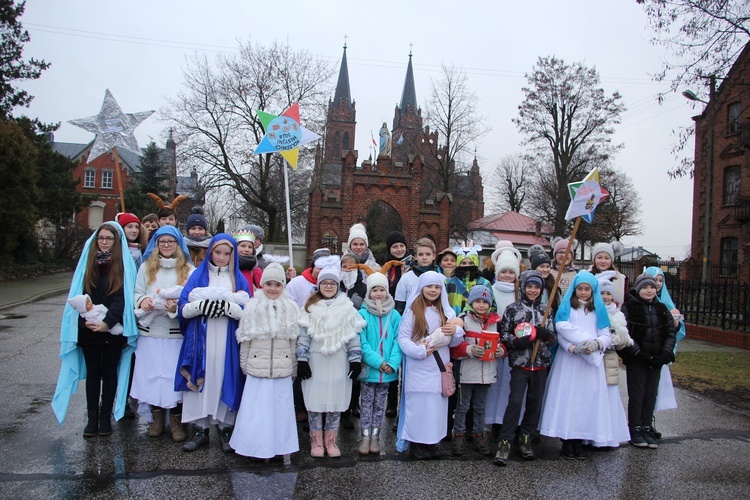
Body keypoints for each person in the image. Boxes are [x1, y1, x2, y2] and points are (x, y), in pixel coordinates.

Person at [52, 222, 138, 437]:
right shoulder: (88, 265)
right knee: (93, 374)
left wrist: (107, 323)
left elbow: (122, 299)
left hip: (112, 329)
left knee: (109, 374)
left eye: (109, 238)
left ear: (116, 242)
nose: (104, 242)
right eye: (101, 238)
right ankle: (91, 418)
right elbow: (79, 296)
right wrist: (86, 322)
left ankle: (105, 417)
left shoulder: (122, 266)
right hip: (89, 329)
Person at [176, 234, 250, 452]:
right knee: (204, 377)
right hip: (201, 337)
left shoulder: (238, 279)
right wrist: (199, 308)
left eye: (227, 253)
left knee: (223, 376)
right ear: (210, 252)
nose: (222, 257)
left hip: (227, 339)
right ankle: (200, 429)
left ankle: (226, 427)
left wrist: (231, 310)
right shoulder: (197, 276)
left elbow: (249, 309)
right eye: (218, 252)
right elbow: (182, 304)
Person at [540, 271, 616, 460]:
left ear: (593, 290)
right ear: (574, 290)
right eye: (580, 289)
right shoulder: (568, 309)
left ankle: (580, 439)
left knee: (586, 400)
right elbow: (560, 331)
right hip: (570, 362)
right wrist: (572, 348)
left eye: (587, 289)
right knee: (569, 399)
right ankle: (567, 441)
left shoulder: (599, 310)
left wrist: (596, 344)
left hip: (590, 364)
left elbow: (606, 335)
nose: (583, 293)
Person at [230, 263, 302, 459]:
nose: (272, 289)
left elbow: (294, 341)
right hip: (257, 368)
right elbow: (245, 339)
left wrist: (294, 367)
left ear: (283, 286)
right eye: (268, 284)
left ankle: (279, 447)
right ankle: (252, 447)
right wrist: (245, 365)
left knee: (280, 411)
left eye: (277, 284)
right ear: (262, 285)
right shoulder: (252, 307)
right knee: (256, 411)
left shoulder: (292, 308)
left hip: (282, 368)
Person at [296, 256, 365, 458]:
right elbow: (303, 335)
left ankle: (331, 440)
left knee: (335, 401)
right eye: (324, 283)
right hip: (316, 360)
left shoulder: (347, 307)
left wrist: (355, 360)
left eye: (332, 283)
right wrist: (301, 359)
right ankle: (316, 440)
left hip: (338, 360)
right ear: (319, 285)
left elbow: (353, 336)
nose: (328, 286)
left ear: (338, 285)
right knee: (315, 401)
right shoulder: (309, 307)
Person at [131, 226, 194, 441]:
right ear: (156, 244)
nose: (166, 245)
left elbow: (192, 298)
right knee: (151, 377)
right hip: (149, 332)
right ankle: (157, 418)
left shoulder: (187, 269)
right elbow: (137, 292)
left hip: (174, 334)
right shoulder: (146, 268)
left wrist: (175, 306)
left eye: (171, 241)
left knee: (172, 378)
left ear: (178, 244)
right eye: (162, 241)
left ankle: (176, 421)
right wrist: (143, 300)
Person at [396, 271, 465, 460]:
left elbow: (453, 343)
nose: (433, 290)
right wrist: (417, 351)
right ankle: (417, 444)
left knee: (436, 407)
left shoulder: (447, 311)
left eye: (437, 287)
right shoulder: (413, 311)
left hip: (439, 368)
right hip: (418, 368)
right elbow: (402, 338)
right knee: (419, 406)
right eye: (429, 286)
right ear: (421, 288)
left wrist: (456, 331)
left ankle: (432, 441)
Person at [493, 271, 556, 465]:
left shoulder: (547, 310)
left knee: (534, 403)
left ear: (542, 290)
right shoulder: (513, 309)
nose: (533, 290)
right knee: (515, 402)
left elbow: (553, 337)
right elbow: (503, 333)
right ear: (523, 287)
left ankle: (527, 439)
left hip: (540, 364)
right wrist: (516, 342)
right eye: (530, 286)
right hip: (520, 364)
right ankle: (505, 441)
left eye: (537, 287)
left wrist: (546, 335)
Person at [619, 273, 677, 449]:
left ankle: (646, 427)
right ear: (638, 289)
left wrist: (665, 353)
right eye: (645, 287)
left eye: (652, 287)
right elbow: (624, 332)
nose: (649, 290)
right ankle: (635, 429)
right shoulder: (629, 307)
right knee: (637, 395)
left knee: (651, 394)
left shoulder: (661, 308)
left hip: (657, 359)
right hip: (638, 359)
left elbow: (670, 333)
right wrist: (637, 353)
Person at [451, 285, 504, 456]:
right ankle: (458, 435)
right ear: (471, 302)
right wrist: (470, 350)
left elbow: (503, 344)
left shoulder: (496, 322)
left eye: (485, 302)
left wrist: (500, 351)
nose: (481, 305)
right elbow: (454, 347)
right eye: (477, 301)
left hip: (486, 373)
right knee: (463, 406)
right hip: (467, 372)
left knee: (480, 407)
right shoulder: (463, 320)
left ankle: (478, 435)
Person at [357, 273, 402, 455]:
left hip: (388, 371)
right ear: (369, 292)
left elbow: (399, 340)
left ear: (387, 290)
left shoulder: (395, 314)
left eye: (381, 289)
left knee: (379, 406)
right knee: (366, 404)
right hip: (370, 369)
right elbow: (361, 342)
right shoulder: (362, 313)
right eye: (374, 290)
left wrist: (392, 363)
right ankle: (365, 436)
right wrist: (379, 362)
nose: (378, 293)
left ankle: (375, 436)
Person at [643, 266, 685, 434]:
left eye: (660, 281)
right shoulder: (640, 301)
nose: (657, 284)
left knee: (655, 389)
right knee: (642, 390)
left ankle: (649, 422)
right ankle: (639, 423)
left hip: (660, 353)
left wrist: (676, 322)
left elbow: (674, 331)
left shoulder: (666, 303)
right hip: (644, 351)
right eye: (654, 280)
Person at [485, 245, 521, 432]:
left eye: (511, 272)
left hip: (514, 346)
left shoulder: (520, 293)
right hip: (495, 344)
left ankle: (505, 421)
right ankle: (490, 421)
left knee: (508, 386)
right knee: (493, 385)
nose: (507, 275)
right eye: (503, 271)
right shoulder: (490, 291)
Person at [596, 273, 632, 448]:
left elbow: (624, 340)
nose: (605, 297)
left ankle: (610, 437)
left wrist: (614, 339)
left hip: (609, 360)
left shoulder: (617, 315)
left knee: (609, 398)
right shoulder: (592, 311)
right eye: (602, 293)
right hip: (594, 360)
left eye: (608, 294)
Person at [395, 237, 439, 314]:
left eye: (428, 254)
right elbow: (400, 306)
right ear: (415, 256)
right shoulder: (406, 278)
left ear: (434, 256)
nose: (424, 258)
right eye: (421, 254)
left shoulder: (440, 278)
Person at [446, 243, 492, 317]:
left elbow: (492, 306)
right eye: (463, 263)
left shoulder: (485, 283)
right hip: (453, 323)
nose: (467, 266)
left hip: (476, 324)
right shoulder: (448, 283)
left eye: (471, 263)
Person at [589, 242, 628, 307]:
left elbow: (625, 301)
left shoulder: (620, 278)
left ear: (611, 260)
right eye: (599, 258)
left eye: (607, 258)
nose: (603, 261)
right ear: (594, 260)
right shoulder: (587, 277)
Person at [527, 244, 561, 314]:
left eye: (548, 267)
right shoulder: (526, 284)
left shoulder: (553, 286)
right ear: (534, 267)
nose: (545, 270)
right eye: (542, 266)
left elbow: (559, 306)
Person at [381, 231, 413, 297]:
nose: (399, 249)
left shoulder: (413, 264)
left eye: (402, 246)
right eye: (395, 247)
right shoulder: (387, 268)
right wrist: (402, 278)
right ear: (389, 249)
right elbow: (387, 292)